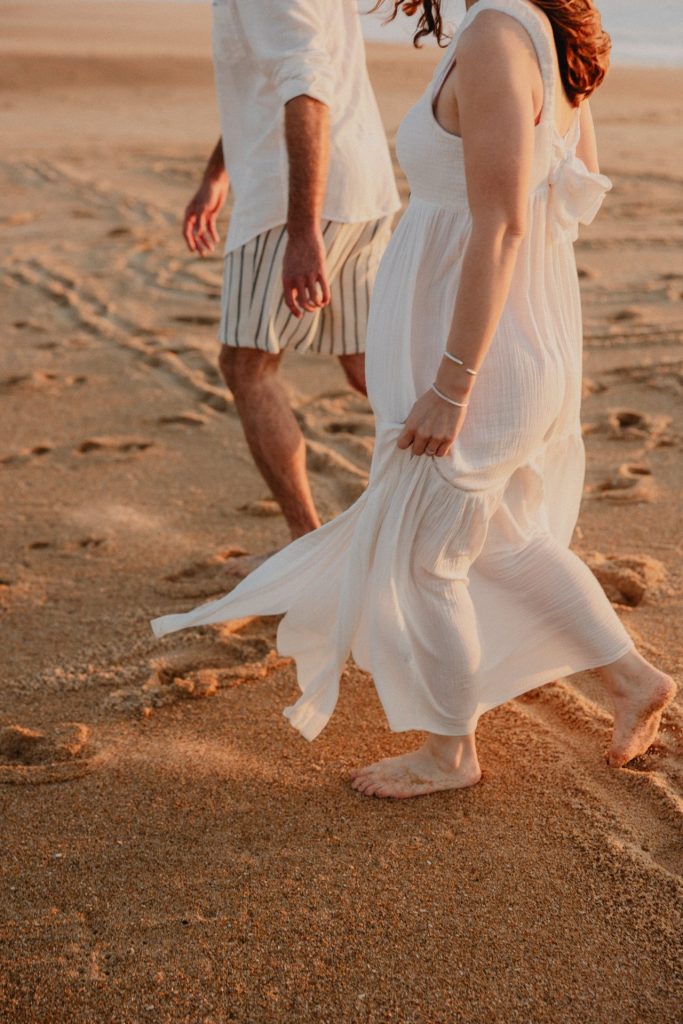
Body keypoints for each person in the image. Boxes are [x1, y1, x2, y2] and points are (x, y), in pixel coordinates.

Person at [153, 0, 675, 798]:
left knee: (429, 560)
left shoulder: (499, 36)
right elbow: (566, 197)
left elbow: (500, 227)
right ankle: (632, 681)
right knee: (499, 540)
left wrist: (452, 383)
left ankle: (448, 753)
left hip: (480, 357)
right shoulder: (532, 29)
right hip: (494, 338)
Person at [182, 0, 399, 573]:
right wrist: (216, 173)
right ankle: (472, 499)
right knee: (367, 366)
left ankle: (306, 547)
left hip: (294, 201)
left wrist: (303, 230)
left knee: (246, 367)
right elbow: (274, 81)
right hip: (361, 184)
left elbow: (305, 89)